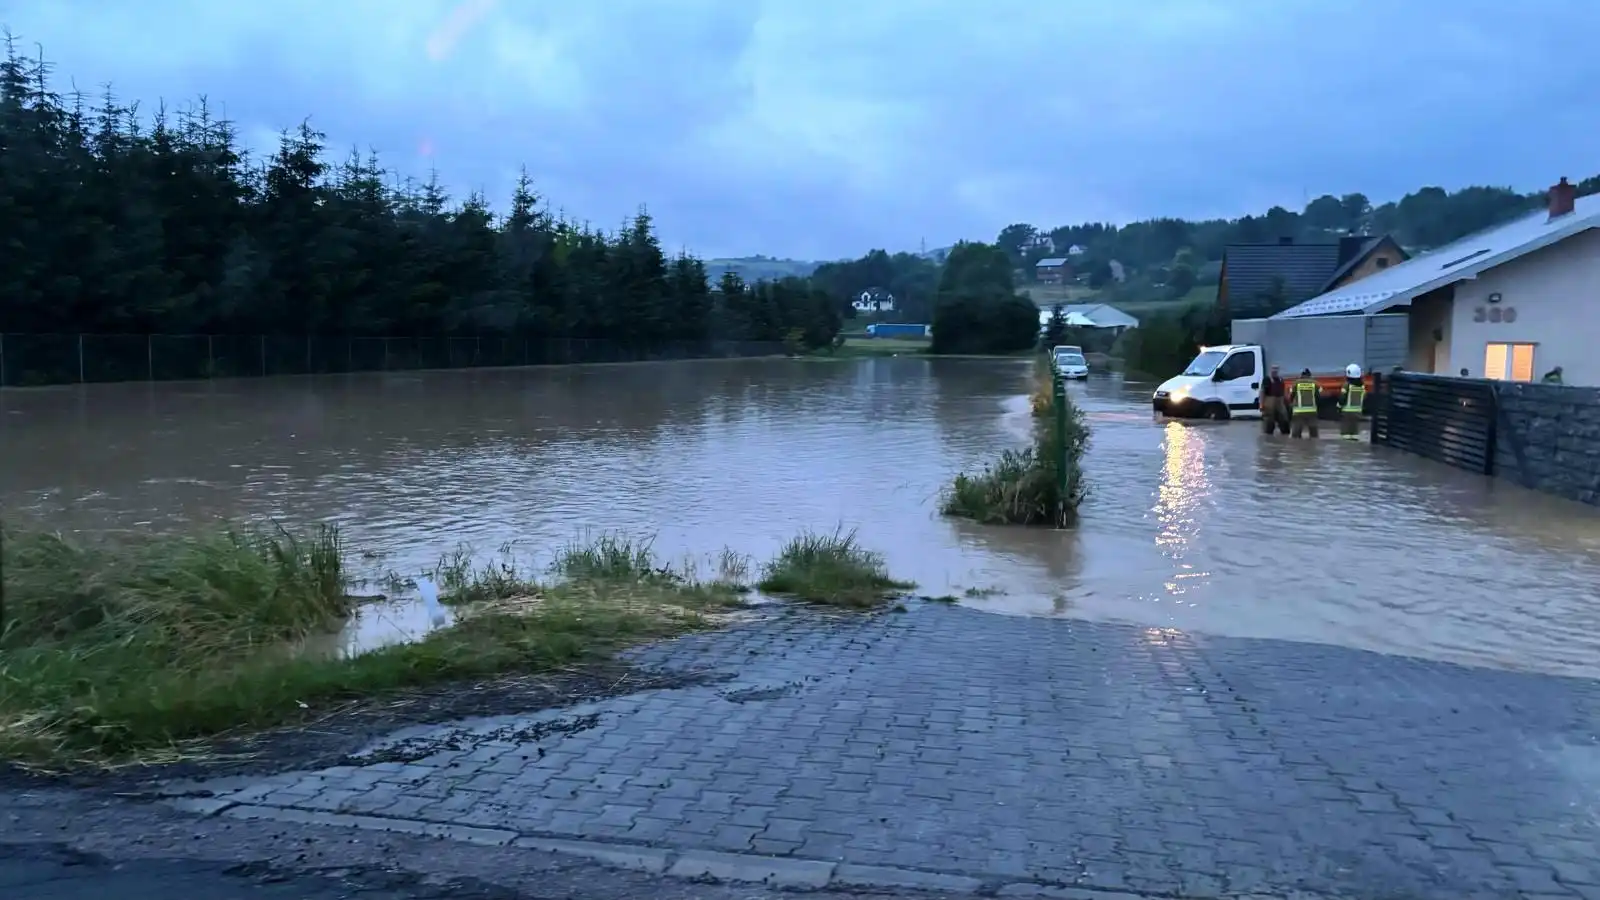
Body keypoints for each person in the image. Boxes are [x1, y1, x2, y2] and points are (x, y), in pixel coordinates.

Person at [1290, 368, 1319, 439]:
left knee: (1295, 435)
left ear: (1301, 375)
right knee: (1314, 435)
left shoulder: (1296, 383)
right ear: (1309, 375)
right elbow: (1318, 396)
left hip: (1298, 411)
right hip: (1312, 411)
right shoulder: (1314, 383)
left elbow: (1291, 395)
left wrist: (1291, 404)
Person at [1260, 364, 1289, 435]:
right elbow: (1262, 392)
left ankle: (1284, 436)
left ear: (1278, 370)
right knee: (1269, 422)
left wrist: (1287, 401)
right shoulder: (1267, 379)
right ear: (1271, 370)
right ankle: (1268, 437)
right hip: (1269, 403)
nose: (1274, 371)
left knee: (1284, 420)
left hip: (1280, 402)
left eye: (1276, 369)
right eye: (1273, 369)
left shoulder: (1281, 379)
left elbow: (1284, 392)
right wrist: (1261, 404)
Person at [1340, 363, 1366, 440]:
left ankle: (1347, 448)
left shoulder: (1346, 385)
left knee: (1345, 433)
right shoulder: (1362, 386)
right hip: (1357, 411)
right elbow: (1364, 397)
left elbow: (1342, 398)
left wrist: (1339, 406)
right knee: (1355, 431)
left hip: (1347, 412)